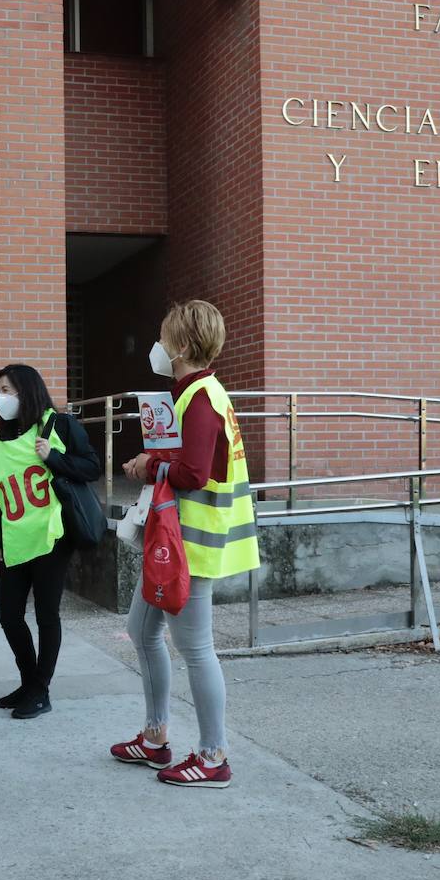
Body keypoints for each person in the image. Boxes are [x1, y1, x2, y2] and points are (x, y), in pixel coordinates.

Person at [110, 300, 258, 788]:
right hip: (177, 542)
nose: (157, 345)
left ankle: (213, 756)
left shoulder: (199, 397)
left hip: (192, 543)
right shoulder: (199, 392)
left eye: (163, 336)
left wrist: (148, 466)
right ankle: (155, 739)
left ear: (180, 345)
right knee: (141, 630)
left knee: (196, 648)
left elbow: (194, 474)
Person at [0, 364, 100, 720]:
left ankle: (41, 689)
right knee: (9, 615)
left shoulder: (60, 425)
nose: (2, 398)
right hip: (16, 537)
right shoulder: (0, 440)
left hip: (52, 536)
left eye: (8, 390)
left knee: (46, 614)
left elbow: (92, 467)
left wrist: (54, 457)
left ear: (28, 391)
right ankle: (29, 681)